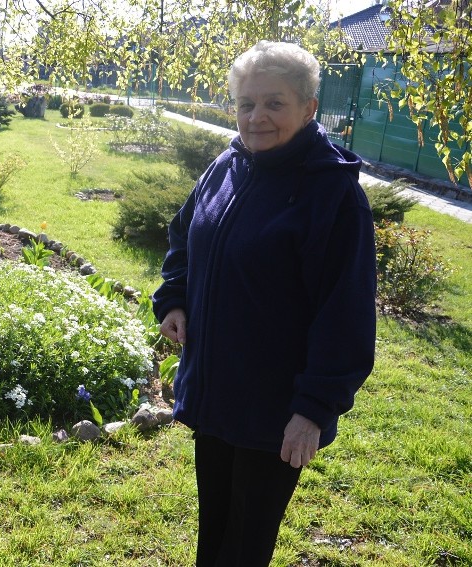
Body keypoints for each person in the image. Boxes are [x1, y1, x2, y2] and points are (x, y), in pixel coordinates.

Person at [152, 41, 377, 566]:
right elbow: (185, 235)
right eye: (246, 104)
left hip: (276, 412)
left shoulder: (333, 196)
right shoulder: (229, 163)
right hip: (216, 394)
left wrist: (312, 411)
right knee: (215, 532)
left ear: (308, 108)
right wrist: (175, 299)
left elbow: (345, 316)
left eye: (275, 103)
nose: (256, 118)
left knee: (246, 546)